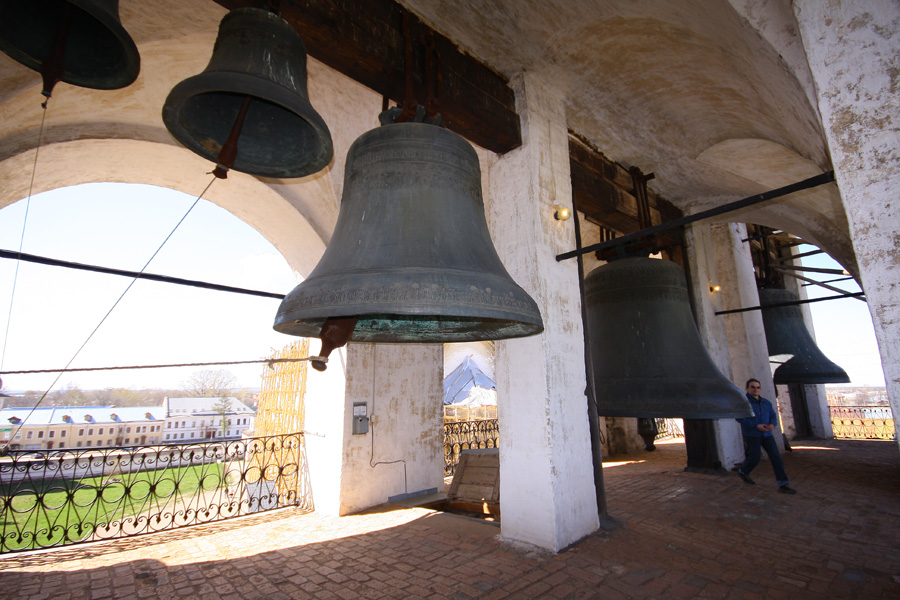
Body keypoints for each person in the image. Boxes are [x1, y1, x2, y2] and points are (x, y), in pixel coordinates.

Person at [736, 378, 797, 494]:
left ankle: (783, 484)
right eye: (753, 387)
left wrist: (772, 424)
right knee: (755, 457)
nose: (755, 389)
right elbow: (740, 418)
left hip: (767, 434)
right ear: (747, 388)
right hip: (752, 434)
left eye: (758, 387)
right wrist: (756, 426)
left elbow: (773, 416)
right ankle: (743, 471)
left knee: (776, 457)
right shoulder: (743, 403)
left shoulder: (766, 403)